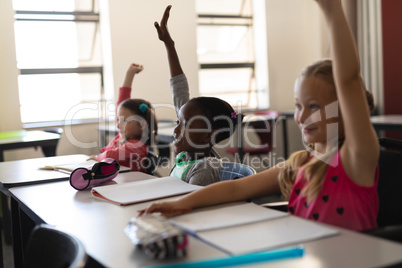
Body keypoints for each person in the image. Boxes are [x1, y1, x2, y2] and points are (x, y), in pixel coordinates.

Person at [143, 1, 379, 231]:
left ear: (345, 108)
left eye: (314, 106)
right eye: (298, 105)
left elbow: (348, 80)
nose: (302, 116)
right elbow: (235, 190)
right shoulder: (299, 164)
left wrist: (332, 9)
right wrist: (180, 204)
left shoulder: (357, 158)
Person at [154, 5, 242, 186]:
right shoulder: (185, 156)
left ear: (207, 136)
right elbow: (179, 90)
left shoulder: (204, 169)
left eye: (185, 124)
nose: (176, 129)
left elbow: (192, 207)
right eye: (178, 122)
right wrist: (169, 45)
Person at [88, 63, 158, 172]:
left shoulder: (137, 145)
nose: (118, 124)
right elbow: (122, 102)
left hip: (131, 186)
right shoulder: (123, 138)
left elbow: (112, 155)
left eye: (125, 121)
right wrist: (130, 74)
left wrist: (98, 157)